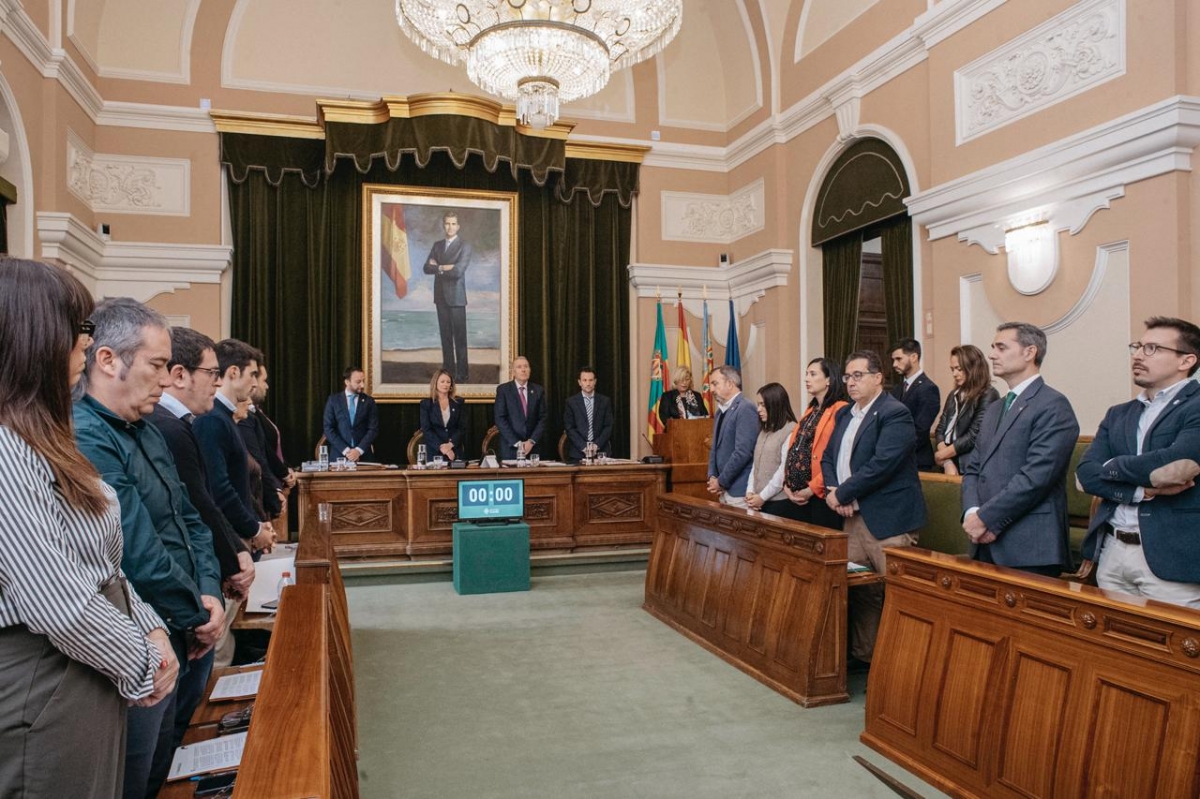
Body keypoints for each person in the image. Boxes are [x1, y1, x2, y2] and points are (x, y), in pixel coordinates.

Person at [0, 259, 177, 799]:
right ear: (35, 335)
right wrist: (143, 661)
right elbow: (57, 599)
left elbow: (102, 566)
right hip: (46, 679)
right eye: (78, 328)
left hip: (85, 665)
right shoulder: (6, 450)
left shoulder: (42, 436)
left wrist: (150, 625)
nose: (85, 344)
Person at [73, 298, 224, 799]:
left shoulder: (147, 428)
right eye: (157, 366)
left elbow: (189, 521)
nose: (166, 380)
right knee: (138, 777)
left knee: (171, 764)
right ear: (108, 360)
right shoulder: (86, 435)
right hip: (146, 640)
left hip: (186, 621)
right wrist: (195, 613)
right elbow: (135, 551)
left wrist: (209, 592)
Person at [148, 328, 255, 673]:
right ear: (181, 376)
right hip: (180, 595)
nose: (216, 381)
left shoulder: (178, 424)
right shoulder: (170, 427)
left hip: (200, 582)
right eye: (211, 373)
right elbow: (200, 504)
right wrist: (233, 559)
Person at [1078, 317, 1200, 607]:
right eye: (1138, 346)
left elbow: (1174, 464)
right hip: (1112, 550)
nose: (1138, 355)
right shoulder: (1118, 413)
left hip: (1171, 556)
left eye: (1152, 348)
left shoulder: (1195, 406)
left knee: (1171, 648)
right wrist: (1140, 491)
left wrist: (1112, 466)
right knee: (1114, 646)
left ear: (1186, 361)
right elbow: (1085, 474)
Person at [821, 350, 927, 665]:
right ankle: (866, 659)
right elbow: (829, 457)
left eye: (858, 376)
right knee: (860, 593)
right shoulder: (844, 414)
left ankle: (897, 667)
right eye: (847, 377)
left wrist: (842, 494)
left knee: (895, 594)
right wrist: (833, 492)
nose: (851, 383)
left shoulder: (895, 412)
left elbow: (883, 464)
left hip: (888, 520)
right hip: (851, 518)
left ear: (878, 377)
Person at [961, 323, 1079, 576]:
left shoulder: (1053, 405)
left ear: (1029, 353)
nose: (992, 354)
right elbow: (973, 469)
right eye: (993, 347)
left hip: (1029, 544)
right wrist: (972, 513)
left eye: (1001, 347)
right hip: (983, 541)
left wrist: (986, 519)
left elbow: (1037, 478)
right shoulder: (995, 409)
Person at [194, 339, 275, 556]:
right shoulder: (213, 418)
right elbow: (219, 489)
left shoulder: (224, 416)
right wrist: (254, 529)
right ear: (232, 373)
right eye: (252, 375)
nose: (255, 384)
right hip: (230, 538)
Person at [778, 357, 850, 529]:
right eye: (806, 374)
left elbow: (836, 457)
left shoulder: (840, 409)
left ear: (828, 380)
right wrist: (787, 483)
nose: (806, 379)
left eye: (812, 374)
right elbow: (796, 448)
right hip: (796, 494)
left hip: (820, 496)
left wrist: (811, 489)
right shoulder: (811, 410)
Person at [933, 344, 1000, 475]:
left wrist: (941, 456)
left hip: (970, 466)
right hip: (948, 461)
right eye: (952, 369)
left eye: (959, 369)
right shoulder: (954, 395)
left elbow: (974, 436)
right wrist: (946, 461)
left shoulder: (989, 394)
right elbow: (940, 429)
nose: (954, 374)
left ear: (974, 367)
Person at [423, 210, 472, 383]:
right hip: (440, 298)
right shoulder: (437, 245)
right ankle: (449, 372)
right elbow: (426, 268)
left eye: (453, 223)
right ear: (443, 225)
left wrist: (438, 267)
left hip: (457, 298)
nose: (450, 227)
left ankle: (463, 374)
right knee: (445, 337)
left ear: (458, 226)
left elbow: (458, 271)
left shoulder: (465, 246)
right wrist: (446, 267)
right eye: (447, 223)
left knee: (460, 338)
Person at [705, 366, 760, 508]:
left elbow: (743, 452)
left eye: (715, 384)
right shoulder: (720, 411)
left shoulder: (745, 407)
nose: (711, 389)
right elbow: (715, 449)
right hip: (724, 490)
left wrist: (721, 481)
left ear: (730, 383)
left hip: (739, 491)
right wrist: (712, 476)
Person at [744, 383, 797, 516]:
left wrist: (762, 497)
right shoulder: (764, 430)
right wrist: (750, 491)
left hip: (779, 504)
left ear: (775, 404)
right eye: (758, 404)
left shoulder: (790, 430)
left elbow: (783, 472)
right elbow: (756, 465)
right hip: (759, 500)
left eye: (763, 404)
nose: (758, 409)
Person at [890, 337, 941, 471]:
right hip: (896, 458)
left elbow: (921, 430)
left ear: (913, 357)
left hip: (917, 460)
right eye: (893, 360)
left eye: (899, 359)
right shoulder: (897, 389)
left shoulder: (928, 388)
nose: (894, 364)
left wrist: (896, 451)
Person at [494, 356, 547, 460]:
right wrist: (518, 443)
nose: (523, 370)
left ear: (530, 370)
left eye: (526, 366)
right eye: (519, 367)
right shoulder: (503, 390)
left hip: (533, 449)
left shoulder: (538, 390)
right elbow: (500, 418)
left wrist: (531, 441)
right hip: (511, 449)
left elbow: (543, 418)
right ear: (513, 372)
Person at [323, 366, 380, 462]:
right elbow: (328, 429)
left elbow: (373, 429)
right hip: (339, 457)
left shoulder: (369, 401)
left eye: (363, 381)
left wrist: (358, 451)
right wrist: (347, 451)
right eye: (358, 382)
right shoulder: (333, 400)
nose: (362, 385)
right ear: (347, 382)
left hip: (364, 457)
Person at [563, 366, 615, 461]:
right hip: (578, 454)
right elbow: (569, 428)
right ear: (579, 382)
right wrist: (584, 447)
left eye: (591, 380)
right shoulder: (571, 402)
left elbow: (608, 426)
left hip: (601, 453)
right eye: (585, 380)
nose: (588, 383)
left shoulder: (605, 401)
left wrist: (596, 445)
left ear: (595, 381)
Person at [420, 369, 466, 461]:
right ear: (435, 383)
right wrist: (443, 448)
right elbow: (427, 429)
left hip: (455, 451)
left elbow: (462, 428)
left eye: (448, 382)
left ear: (451, 385)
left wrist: (450, 445)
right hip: (434, 452)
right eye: (442, 381)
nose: (445, 384)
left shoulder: (458, 402)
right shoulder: (426, 404)